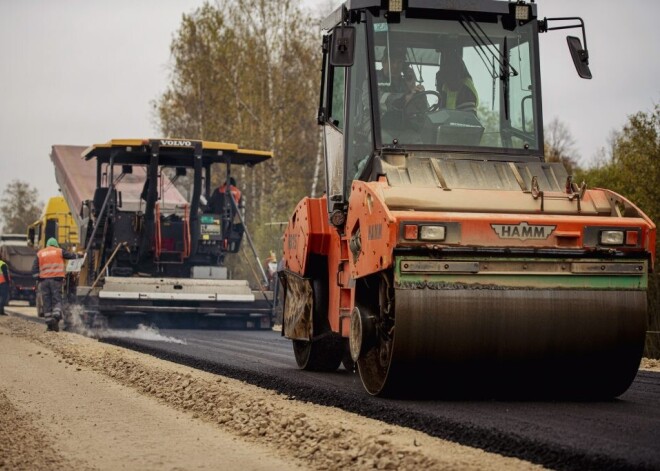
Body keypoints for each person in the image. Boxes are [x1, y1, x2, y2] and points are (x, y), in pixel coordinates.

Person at [32, 238, 81, 332]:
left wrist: (38, 278)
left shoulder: (40, 253)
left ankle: (49, 325)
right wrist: (79, 255)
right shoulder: (59, 251)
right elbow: (71, 256)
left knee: (46, 301)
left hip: (44, 281)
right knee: (57, 299)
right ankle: (56, 316)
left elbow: (34, 269)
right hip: (56, 280)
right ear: (55, 244)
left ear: (47, 244)